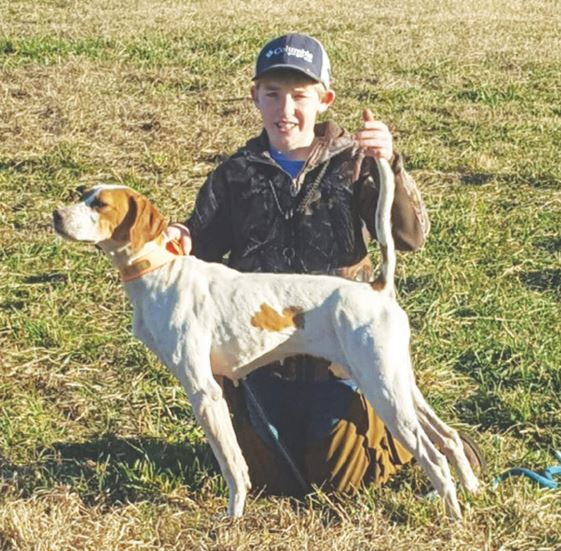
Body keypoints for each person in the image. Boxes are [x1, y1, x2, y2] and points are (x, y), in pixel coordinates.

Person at [168, 33, 473, 497]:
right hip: (262, 360)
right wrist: (176, 237)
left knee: (336, 475)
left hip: (339, 357)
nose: (284, 109)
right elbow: (199, 246)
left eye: (299, 96)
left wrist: (389, 164)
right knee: (270, 477)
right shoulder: (235, 173)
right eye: (272, 94)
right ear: (255, 97)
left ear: (324, 100)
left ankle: (411, 438)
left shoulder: (354, 162)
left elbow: (411, 236)